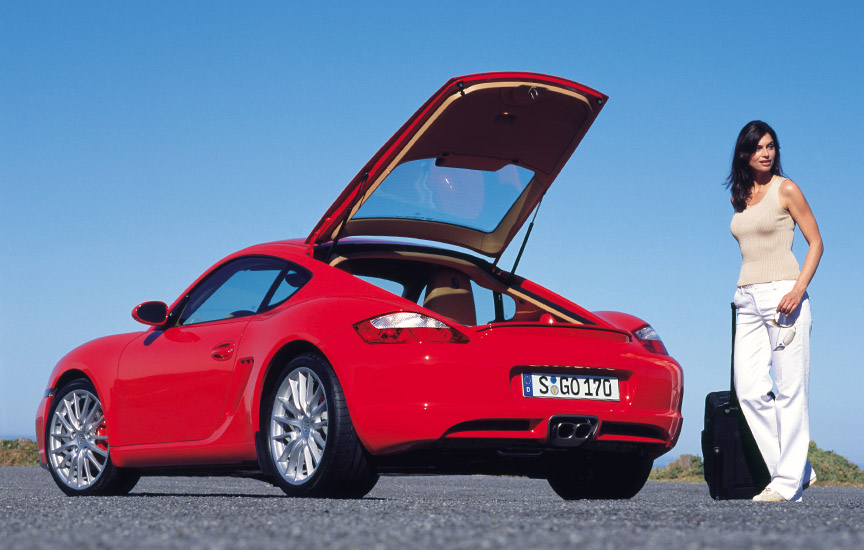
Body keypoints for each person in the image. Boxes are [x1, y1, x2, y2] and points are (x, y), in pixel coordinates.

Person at [727, 120, 823, 502]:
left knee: (790, 390)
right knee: (748, 390)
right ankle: (797, 469)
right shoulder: (740, 195)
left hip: (785, 295)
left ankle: (786, 484)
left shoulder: (787, 189)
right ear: (744, 153)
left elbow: (816, 242)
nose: (766, 152)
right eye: (758, 147)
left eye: (771, 146)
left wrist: (798, 290)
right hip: (747, 299)